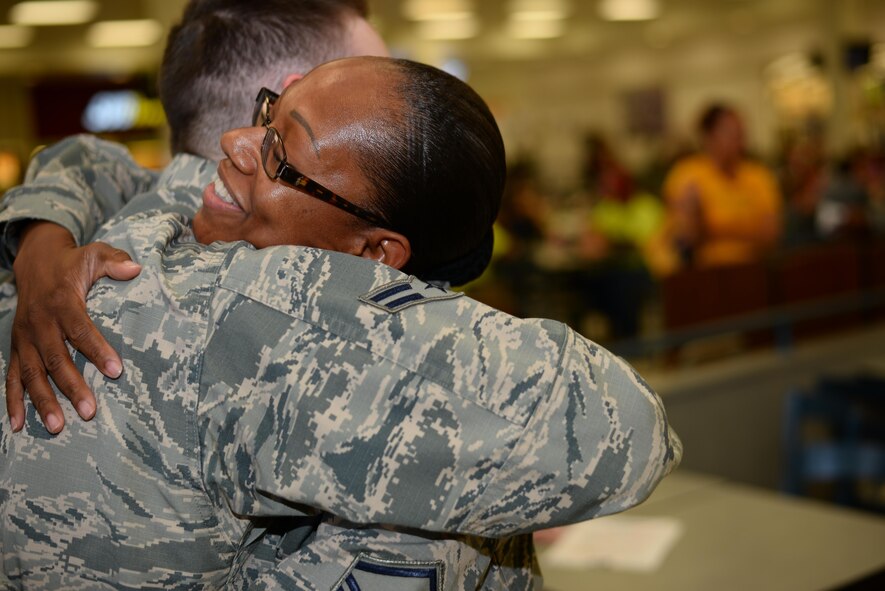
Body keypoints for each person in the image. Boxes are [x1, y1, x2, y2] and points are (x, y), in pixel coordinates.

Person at [0, 56, 681, 590]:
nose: (233, 144)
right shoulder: (271, 320)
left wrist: (39, 234)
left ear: (374, 253)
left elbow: (91, 161)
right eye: (271, 117)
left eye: (277, 152)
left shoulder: (167, 224)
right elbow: (628, 426)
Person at [662, 102, 782, 269]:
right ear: (708, 137)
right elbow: (687, 238)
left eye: (741, 134)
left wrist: (712, 230)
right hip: (705, 273)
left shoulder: (758, 176)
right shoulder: (686, 175)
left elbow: (770, 235)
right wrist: (749, 230)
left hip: (755, 268)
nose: (739, 141)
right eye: (730, 133)